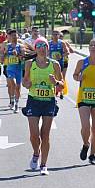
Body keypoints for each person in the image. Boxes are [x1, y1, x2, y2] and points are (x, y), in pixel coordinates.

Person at [22, 38, 63, 176]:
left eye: (44, 45)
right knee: (34, 135)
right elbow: (25, 81)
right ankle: (36, 153)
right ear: (35, 48)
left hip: (49, 101)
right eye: (39, 46)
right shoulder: (29, 64)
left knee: (45, 135)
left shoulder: (55, 64)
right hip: (33, 100)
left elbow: (62, 85)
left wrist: (56, 82)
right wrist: (27, 84)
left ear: (48, 48)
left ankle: (44, 165)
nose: (41, 48)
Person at [1, 29, 24, 113]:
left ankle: (16, 104)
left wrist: (17, 55)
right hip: (10, 69)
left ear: (18, 36)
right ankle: (12, 101)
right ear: (10, 37)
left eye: (15, 35)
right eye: (12, 35)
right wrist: (3, 56)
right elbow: (3, 55)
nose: (14, 37)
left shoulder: (21, 46)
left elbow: (23, 58)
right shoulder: (7, 46)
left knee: (18, 87)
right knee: (12, 84)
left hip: (18, 69)